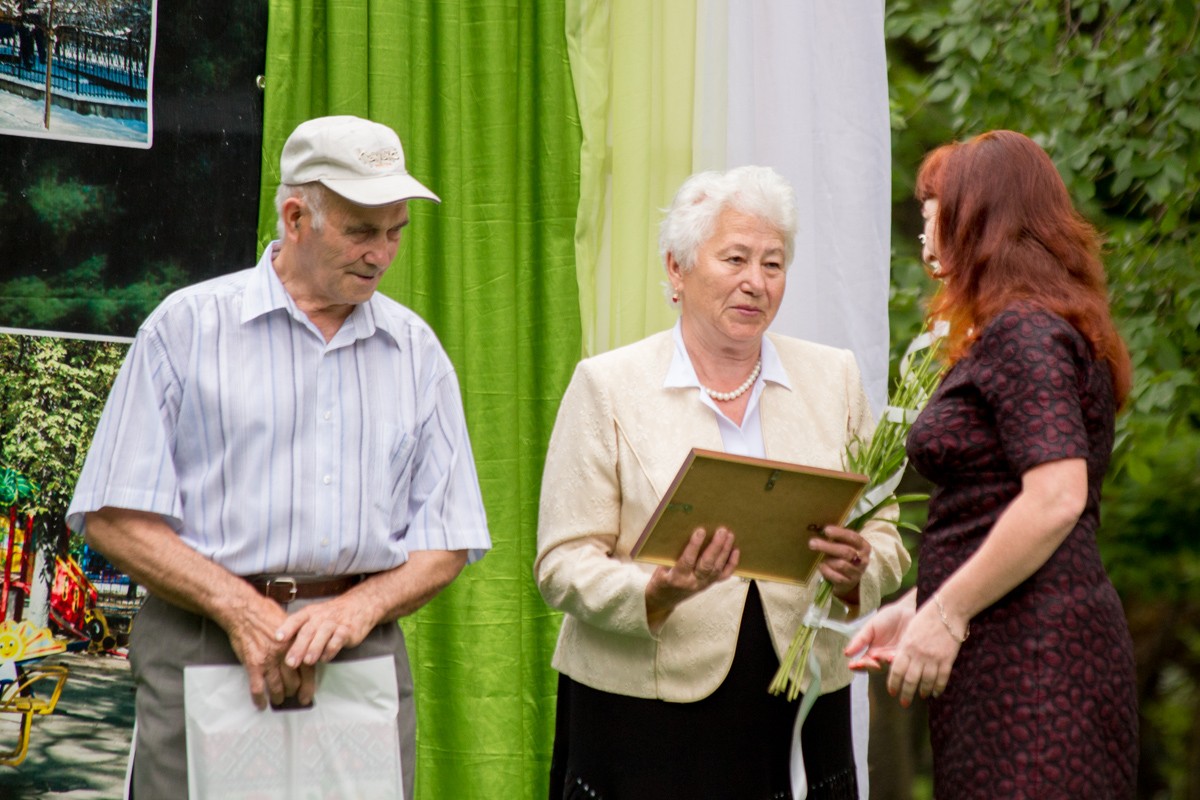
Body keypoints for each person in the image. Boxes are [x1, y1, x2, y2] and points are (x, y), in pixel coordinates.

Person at [67, 115, 491, 799]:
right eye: (361, 231)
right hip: (203, 639)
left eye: (396, 232)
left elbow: (448, 538)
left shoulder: (417, 353)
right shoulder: (187, 328)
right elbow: (114, 517)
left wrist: (359, 609)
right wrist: (239, 609)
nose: (381, 254)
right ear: (296, 217)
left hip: (358, 650)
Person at [535, 166, 910, 799]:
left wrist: (857, 573)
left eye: (773, 263)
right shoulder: (608, 385)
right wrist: (655, 590)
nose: (755, 282)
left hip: (800, 704)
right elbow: (562, 562)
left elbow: (884, 532)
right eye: (735, 258)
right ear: (676, 269)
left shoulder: (835, 378)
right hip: (645, 717)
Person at [846, 130, 1138, 799]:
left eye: (934, 217)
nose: (926, 239)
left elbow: (1056, 499)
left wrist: (946, 614)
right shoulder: (1037, 327)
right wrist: (921, 603)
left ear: (977, 222)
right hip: (1014, 647)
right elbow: (995, 503)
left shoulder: (1025, 332)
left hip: (1037, 662)